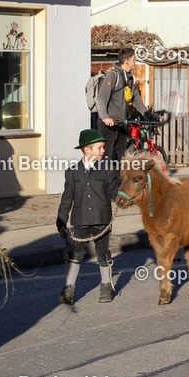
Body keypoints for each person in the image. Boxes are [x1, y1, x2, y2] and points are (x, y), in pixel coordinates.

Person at [56, 129, 119, 305]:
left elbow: (114, 189)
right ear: (86, 150)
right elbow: (67, 198)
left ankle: (106, 287)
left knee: (102, 255)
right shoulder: (72, 172)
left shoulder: (109, 169)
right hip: (80, 220)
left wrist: (120, 198)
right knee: (75, 255)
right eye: (99, 148)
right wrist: (61, 219)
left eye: (103, 148)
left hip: (102, 219)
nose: (103, 151)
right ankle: (68, 289)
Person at [97, 48, 151, 161]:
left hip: (122, 123)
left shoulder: (129, 78)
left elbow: (136, 98)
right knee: (107, 157)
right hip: (109, 124)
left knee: (123, 157)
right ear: (127, 62)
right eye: (134, 60)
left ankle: (120, 178)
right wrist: (105, 117)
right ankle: (107, 178)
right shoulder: (113, 76)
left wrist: (145, 112)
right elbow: (101, 99)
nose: (135, 62)